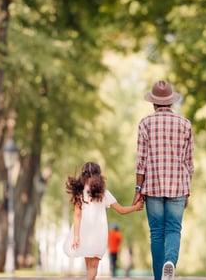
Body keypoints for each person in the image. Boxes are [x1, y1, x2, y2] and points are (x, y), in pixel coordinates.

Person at [132, 80, 195, 280]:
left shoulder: (145, 124)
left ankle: (160, 277)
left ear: (154, 103)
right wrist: (188, 189)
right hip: (178, 186)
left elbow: (141, 161)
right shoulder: (185, 124)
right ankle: (170, 262)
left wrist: (137, 189)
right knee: (174, 229)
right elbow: (189, 162)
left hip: (152, 187)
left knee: (157, 233)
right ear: (171, 102)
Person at [63, 162, 143, 280]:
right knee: (93, 268)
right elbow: (121, 210)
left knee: (89, 268)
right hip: (98, 234)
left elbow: (77, 215)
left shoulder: (79, 193)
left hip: (84, 233)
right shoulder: (103, 193)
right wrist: (136, 207)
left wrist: (76, 236)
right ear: (98, 176)